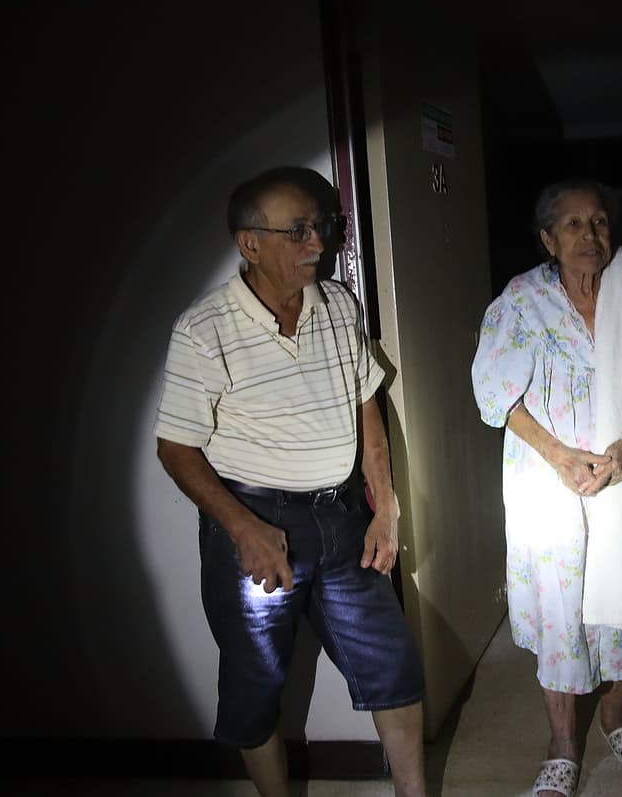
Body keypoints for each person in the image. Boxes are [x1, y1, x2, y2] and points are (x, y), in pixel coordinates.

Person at [154, 166, 427, 797]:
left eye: (324, 228)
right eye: (298, 231)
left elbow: (368, 410)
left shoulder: (338, 305)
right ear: (250, 243)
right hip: (254, 523)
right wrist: (244, 529)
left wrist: (385, 506)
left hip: (342, 521)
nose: (318, 245)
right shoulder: (205, 329)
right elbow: (176, 446)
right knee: (256, 682)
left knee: (393, 665)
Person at [471, 179, 622, 797]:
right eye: (572, 225)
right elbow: (494, 395)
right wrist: (561, 456)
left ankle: (617, 714)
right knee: (559, 606)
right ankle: (563, 741)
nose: (589, 236)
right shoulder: (521, 301)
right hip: (550, 482)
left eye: (598, 222)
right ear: (548, 238)